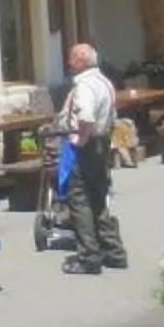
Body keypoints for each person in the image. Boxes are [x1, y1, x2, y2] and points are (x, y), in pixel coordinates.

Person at [55, 42, 126, 272]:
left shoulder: (84, 85)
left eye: (73, 58)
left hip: (88, 143)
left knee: (79, 198)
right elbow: (112, 114)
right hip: (103, 142)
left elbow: (85, 117)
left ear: (82, 61)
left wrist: (81, 141)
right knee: (99, 195)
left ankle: (89, 257)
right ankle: (113, 251)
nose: (69, 63)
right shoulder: (105, 82)